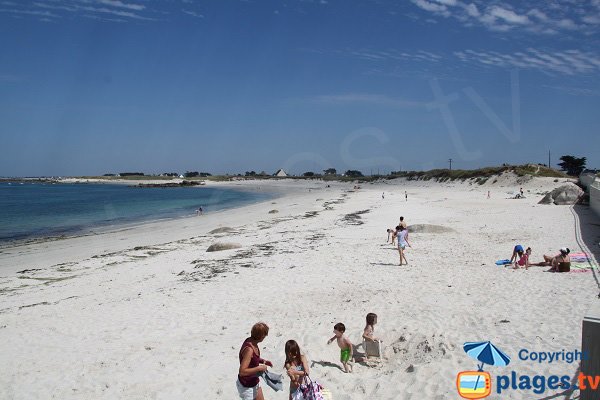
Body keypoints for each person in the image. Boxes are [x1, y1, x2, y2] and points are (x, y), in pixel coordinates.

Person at [237, 322, 273, 400]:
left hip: (254, 381)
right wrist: (259, 368)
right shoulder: (249, 349)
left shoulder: (251, 341)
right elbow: (242, 372)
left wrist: (263, 361)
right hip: (247, 387)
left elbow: (252, 359)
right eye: (264, 335)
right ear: (261, 336)